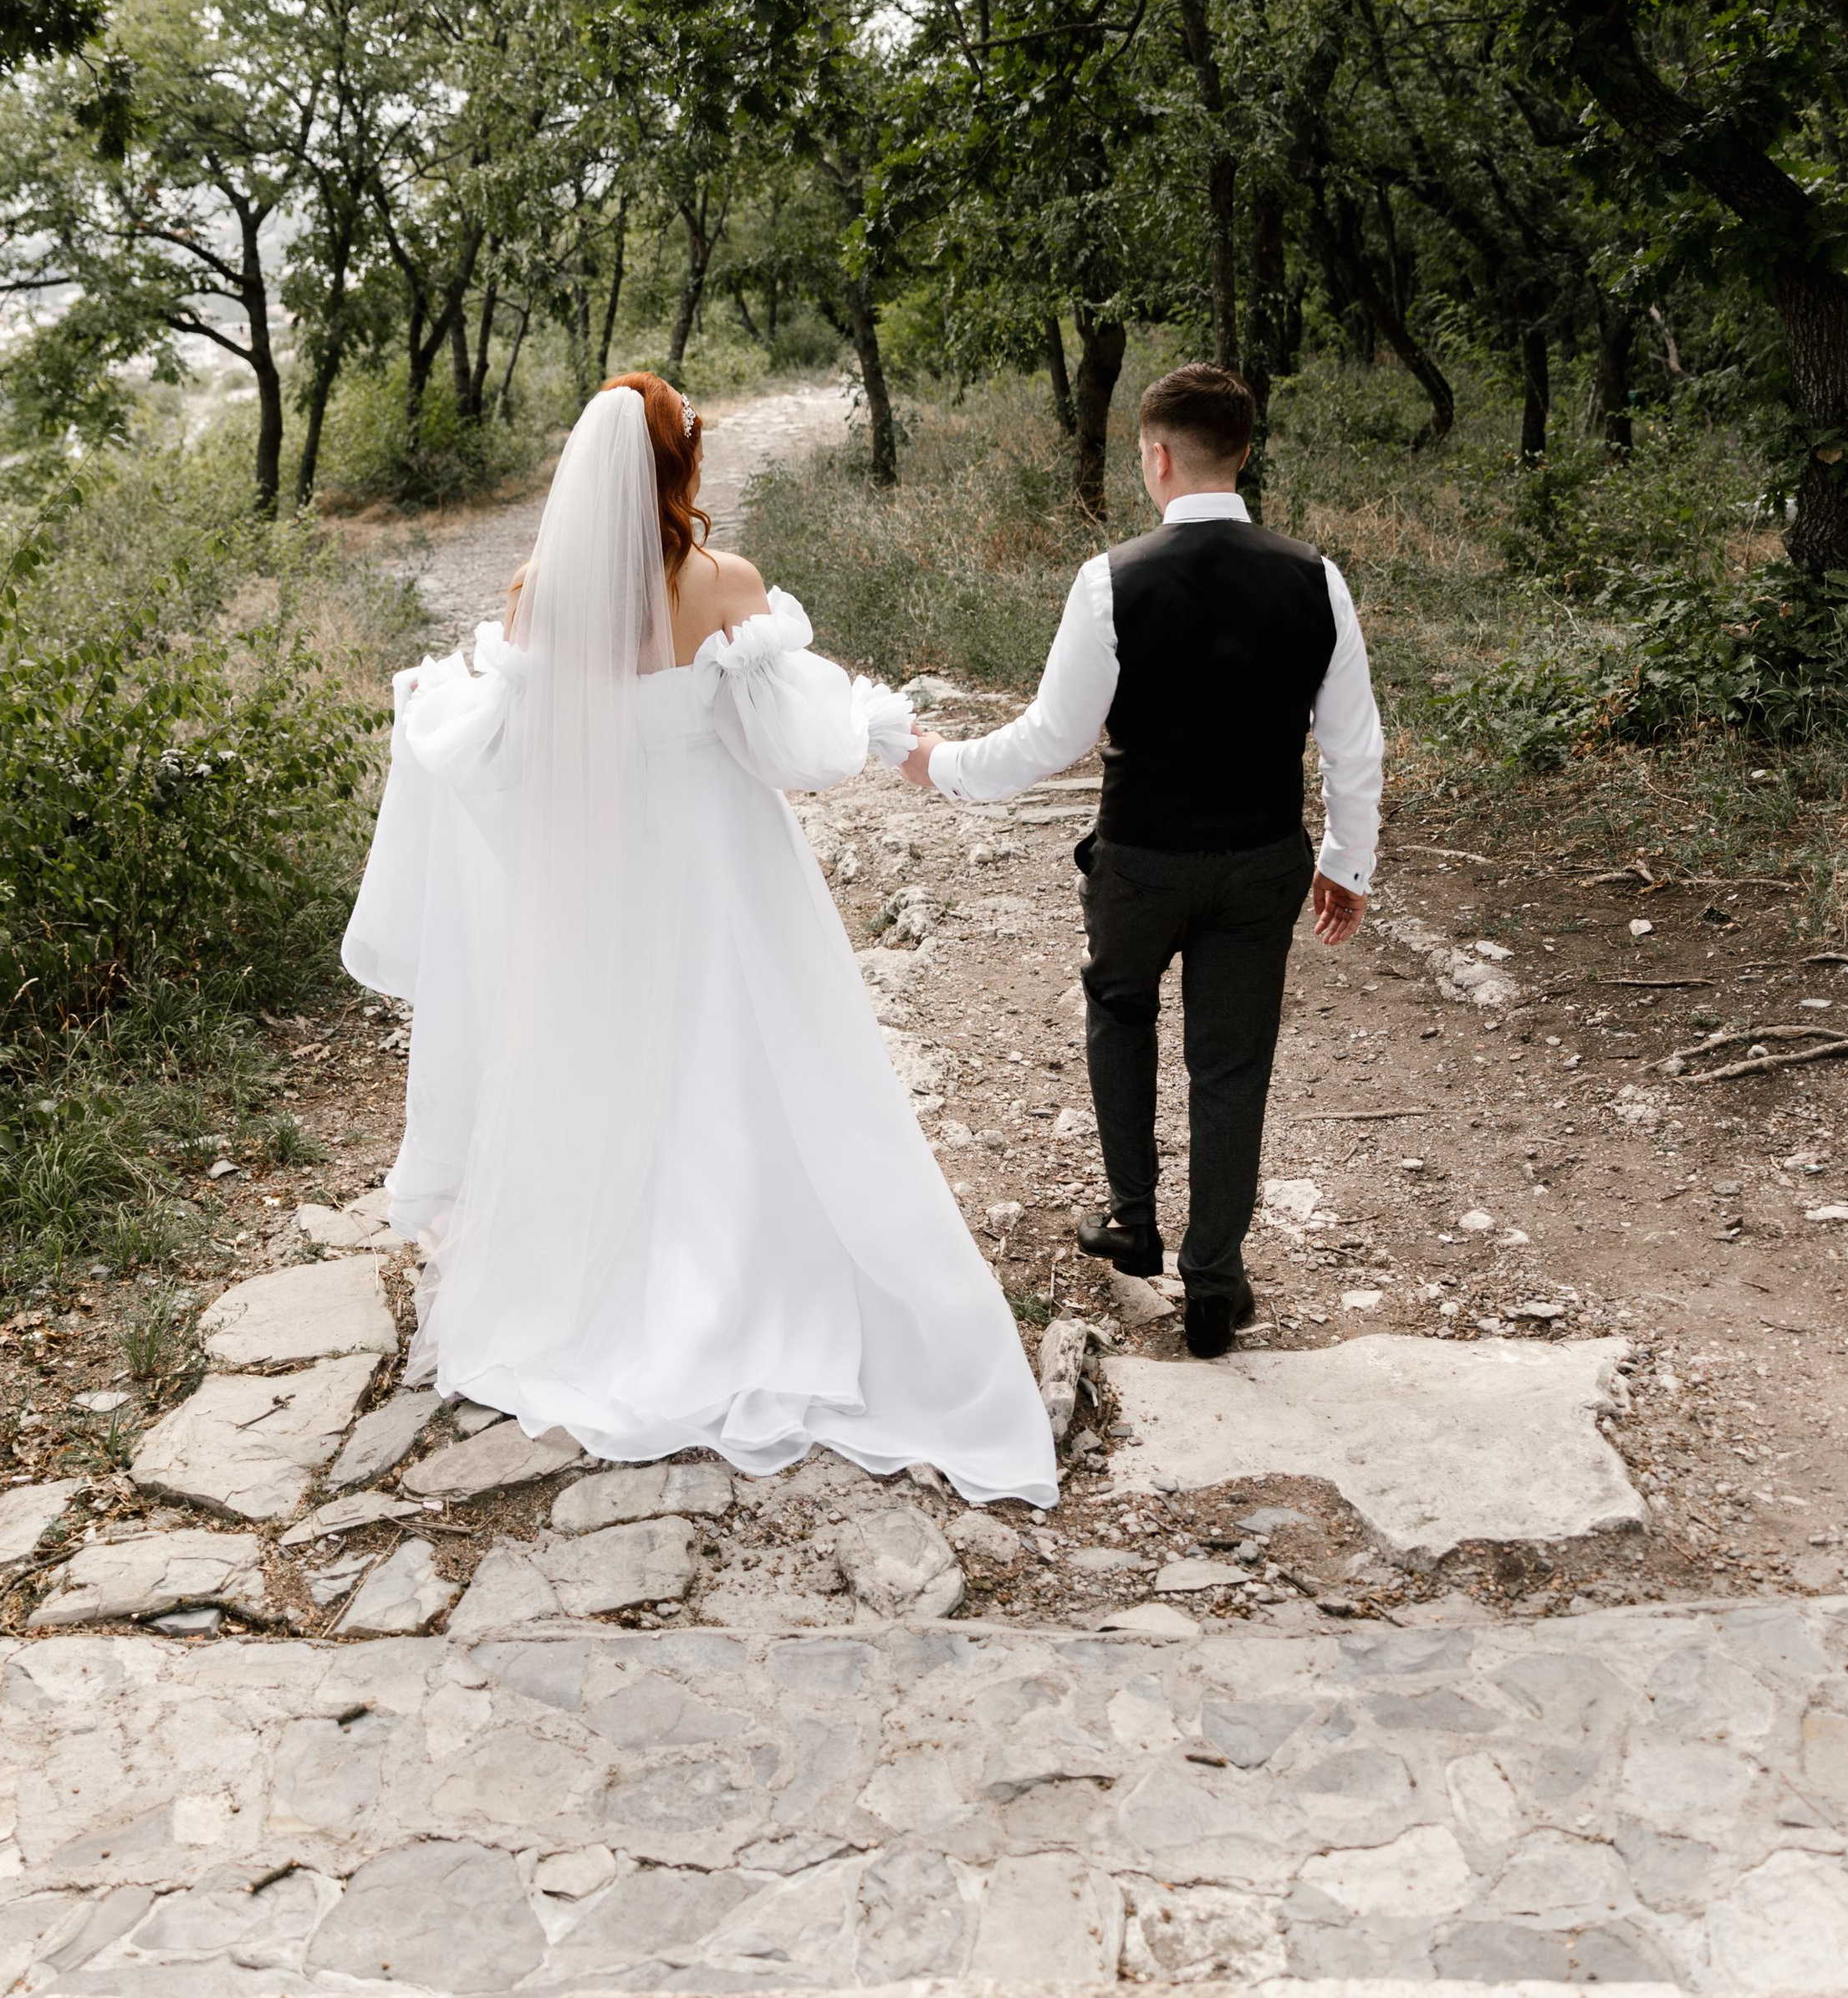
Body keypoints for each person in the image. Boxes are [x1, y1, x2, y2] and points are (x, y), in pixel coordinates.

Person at [344, 373, 1058, 1507]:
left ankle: (610, 1288)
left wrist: (435, 700)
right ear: (682, 468)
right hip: (723, 869)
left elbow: (508, 757)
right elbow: (787, 751)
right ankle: (746, 1284)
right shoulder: (722, 584)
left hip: (602, 880)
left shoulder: (536, 597)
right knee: (746, 1064)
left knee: (622, 1068)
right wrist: (869, 723)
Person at [901, 362, 1382, 1361]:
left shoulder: (1111, 580)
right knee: (1232, 1064)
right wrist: (1347, 861)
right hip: (1261, 859)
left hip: (1141, 862)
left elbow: (1050, 738)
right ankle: (1214, 1283)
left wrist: (937, 762)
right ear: (1242, 452)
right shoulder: (1315, 577)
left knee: (1119, 1013)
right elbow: (1353, 743)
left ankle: (1133, 1221)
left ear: (1156, 457)